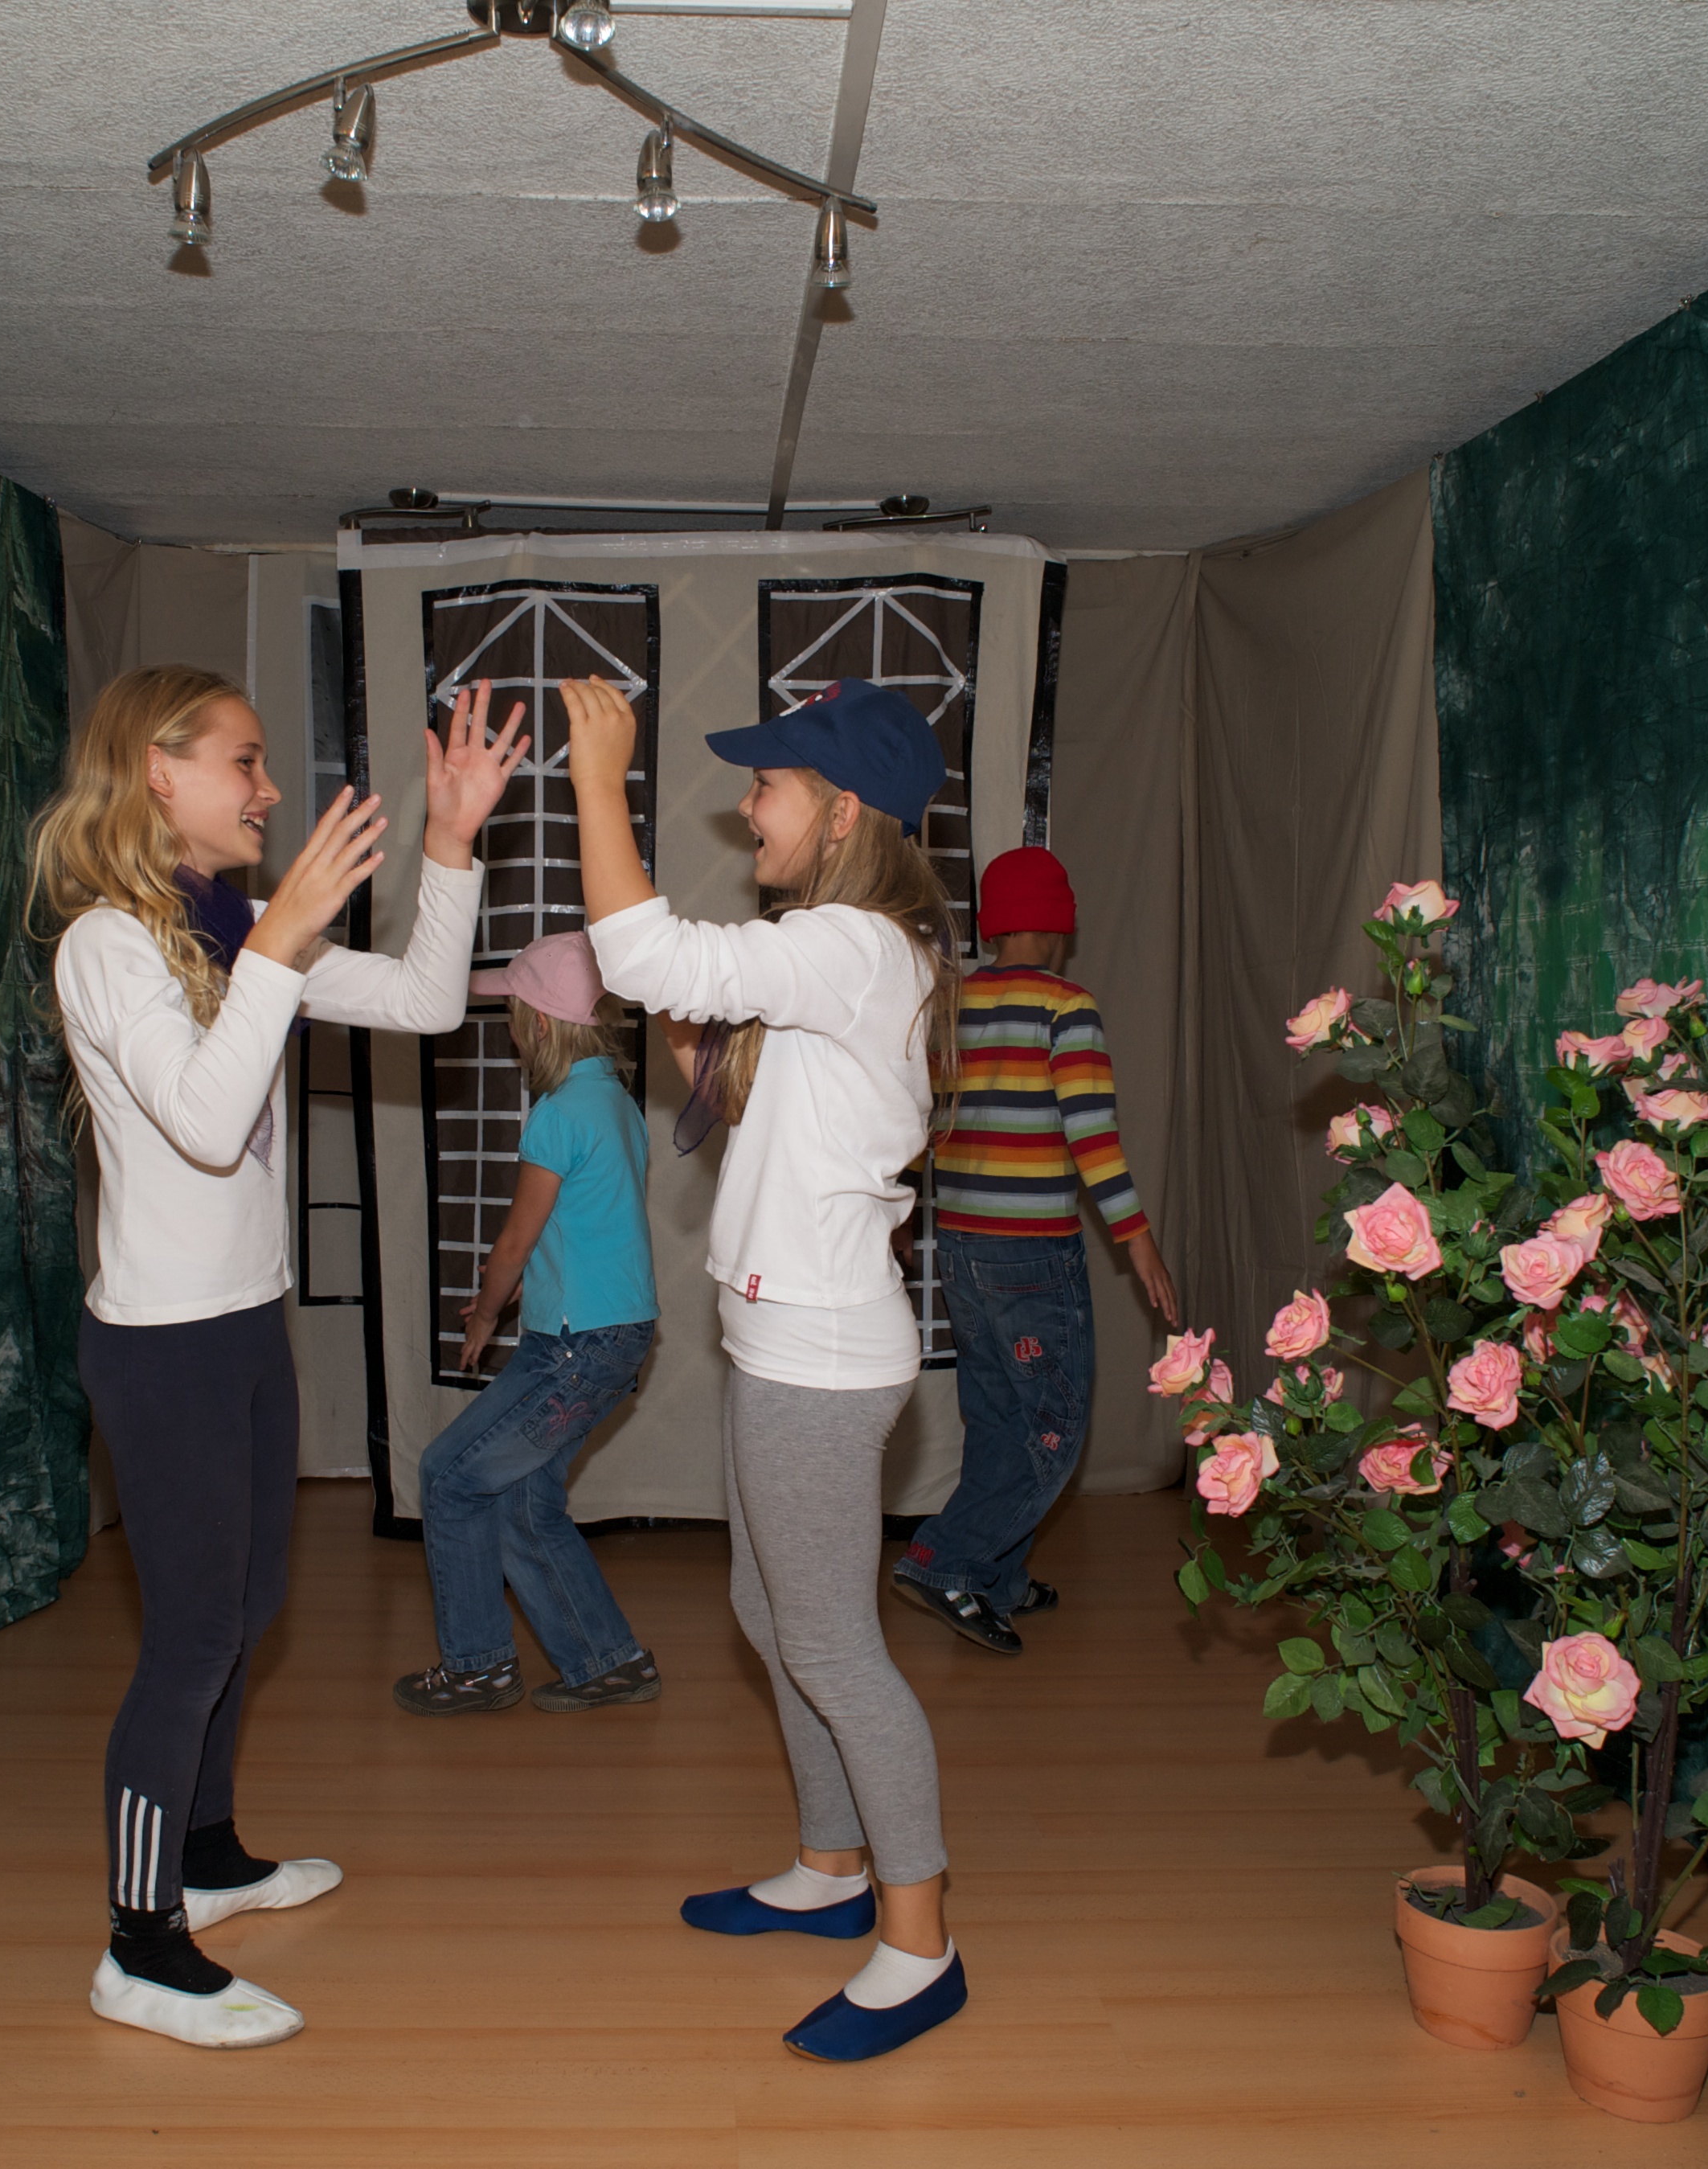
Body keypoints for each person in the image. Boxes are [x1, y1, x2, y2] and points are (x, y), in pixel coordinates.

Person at [32, 664, 523, 2050]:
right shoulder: (108, 945)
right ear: (157, 774)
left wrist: (449, 843)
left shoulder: (236, 924)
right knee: (190, 1631)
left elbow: (430, 1003)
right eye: (242, 762)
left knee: (245, 1608)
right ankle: (137, 1942)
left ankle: (206, 1852)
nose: (266, 789)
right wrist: (277, 949)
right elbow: (202, 1117)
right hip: (163, 1346)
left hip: (245, 1316)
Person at [567, 672, 972, 2064]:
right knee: (767, 1606)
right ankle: (831, 1862)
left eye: (768, 787)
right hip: (777, 1337)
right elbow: (748, 1101)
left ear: (844, 808)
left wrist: (600, 781)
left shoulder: (859, 941)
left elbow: (643, 952)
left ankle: (919, 1945)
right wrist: (704, 1055)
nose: (748, 810)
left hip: (819, 1354)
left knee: (834, 1645)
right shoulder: (841, 949)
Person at [892, 844, 1182, 1654]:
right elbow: (1092, 1139)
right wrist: (1140, 1245)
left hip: (964, 1249)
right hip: (1031, 1257)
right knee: (1051, 1428)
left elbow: (923, 1129)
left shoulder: (948, 1006)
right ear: (1060, 927)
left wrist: (893, 1216)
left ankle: (997, 1577)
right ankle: (943, 1558)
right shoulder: (1066, 1007)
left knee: (995, 1414)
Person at [392, 931, 663, 1716]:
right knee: (518, 1495)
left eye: (511, 1013)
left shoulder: (555, 1113)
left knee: (448, 1474)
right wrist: (513, 1300)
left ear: (539, 1024)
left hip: (576, 1346)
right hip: (610, 1334)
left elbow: (515, 1236)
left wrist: (483, 1309)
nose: (509, 1027)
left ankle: (477, 1666)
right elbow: (583, 1229)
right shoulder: (614, 1101)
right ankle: (605, 1660)